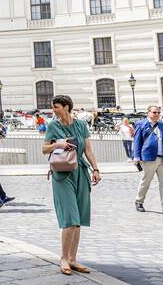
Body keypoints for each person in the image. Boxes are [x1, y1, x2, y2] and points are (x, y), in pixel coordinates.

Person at [42, 95, 102, 276]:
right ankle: (63, 258)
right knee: (70, 218)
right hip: (61, 175)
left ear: (67, 107)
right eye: (53, 107)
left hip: (81, 172)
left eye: (57, 106)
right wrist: (58, 144)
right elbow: (44, 148)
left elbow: (88, 149)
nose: (54, 110)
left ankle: (73, 259)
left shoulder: (81, 125)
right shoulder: (53, 126)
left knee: (79, 221)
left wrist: (96, 169)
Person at [133, 105, 163, 216]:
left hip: (162, 159)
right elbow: (137, 141)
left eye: (159, 112)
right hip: (148, 158)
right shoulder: (141, 124)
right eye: (154, 112)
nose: (157, 114)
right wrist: (136, 156)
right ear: (148, 113)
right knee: (146, 181)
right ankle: (139, 201)